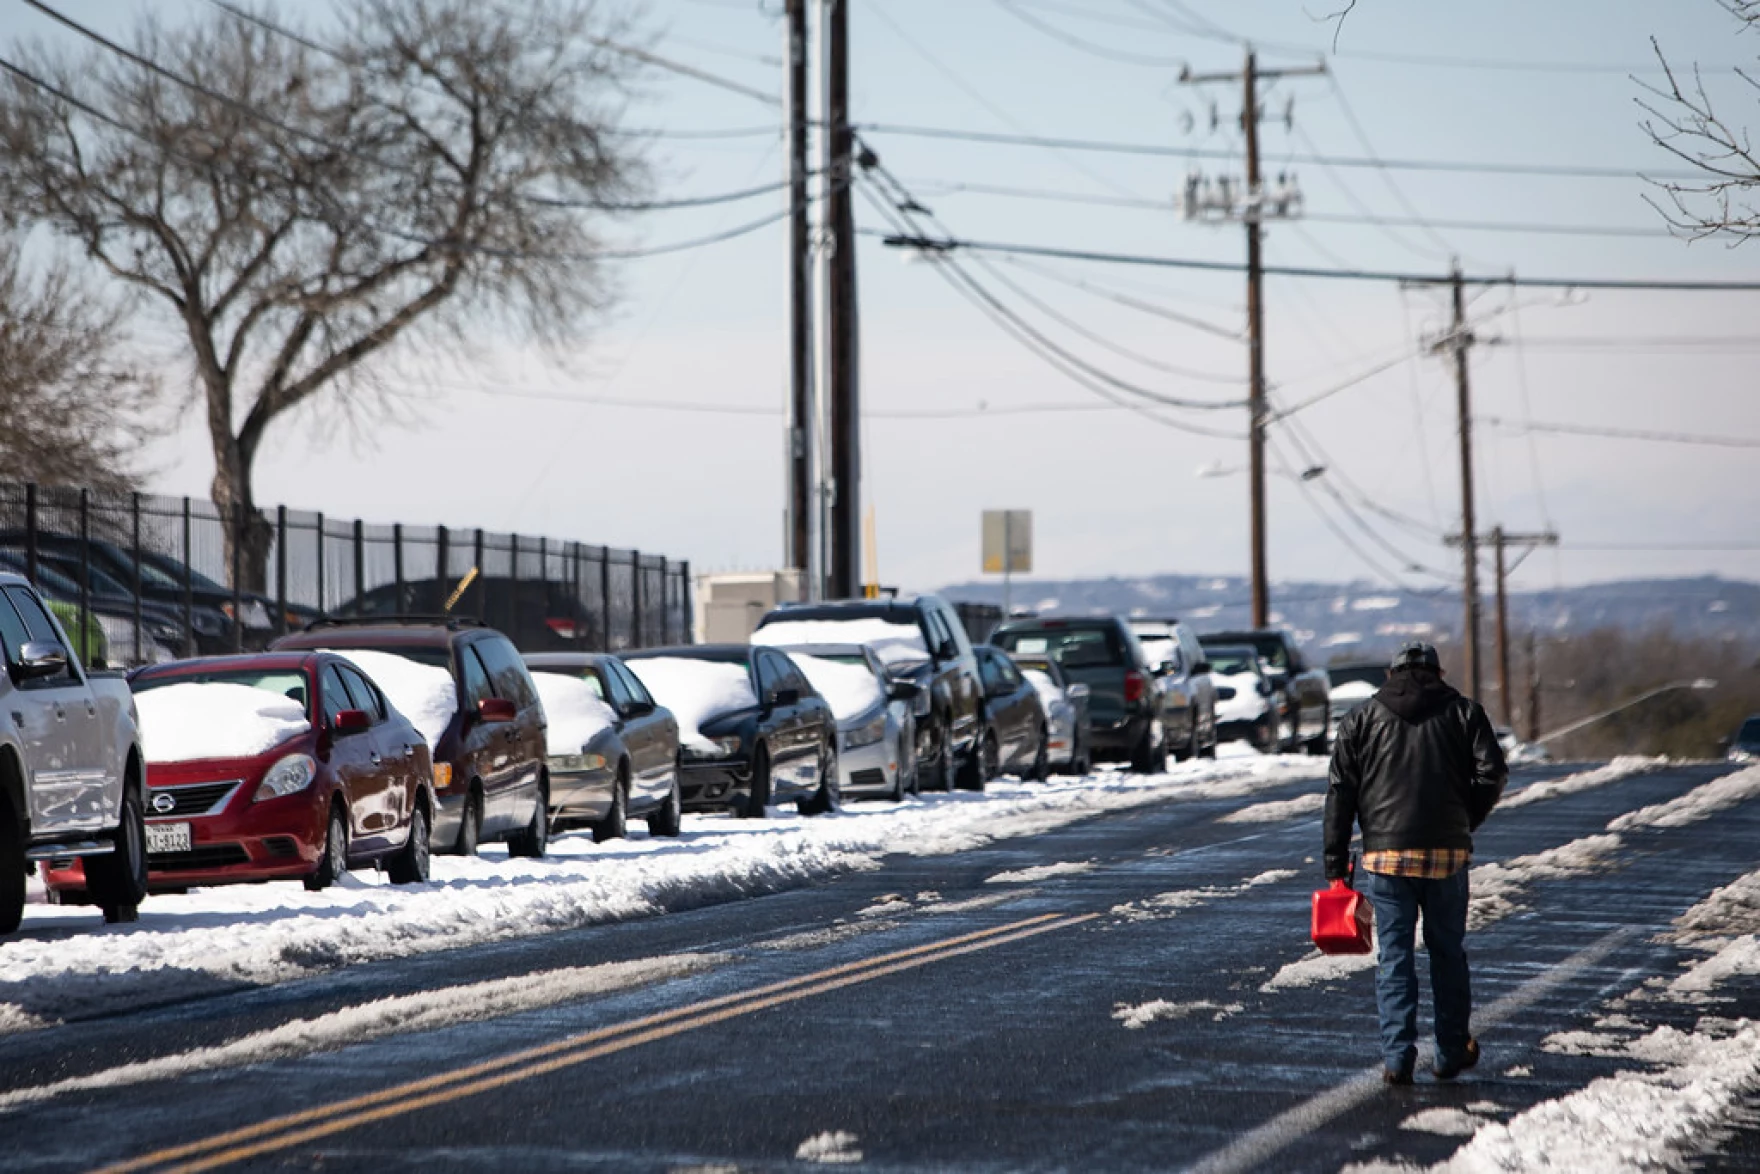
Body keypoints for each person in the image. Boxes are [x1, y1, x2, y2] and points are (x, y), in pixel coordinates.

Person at [1323, 641, 1508, 1086]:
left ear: (1392, 673)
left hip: (1386, 857)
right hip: (1447, 855)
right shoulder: (1464, 712)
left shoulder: (1362, 717)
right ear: (1438, 672)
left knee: (1395, 957)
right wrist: (1465, 820)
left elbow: (1340, 790)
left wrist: (1334, 863)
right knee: (1447, 954)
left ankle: (1398, 1057)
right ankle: (1449, 1052)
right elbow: (1493, 772)